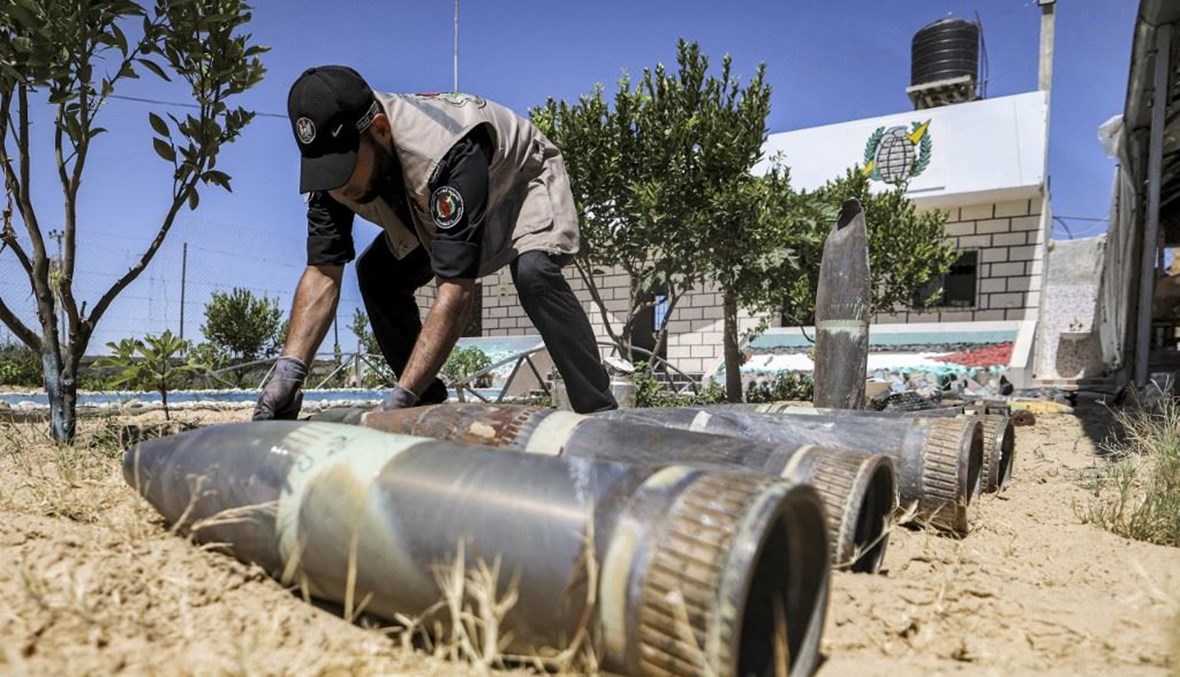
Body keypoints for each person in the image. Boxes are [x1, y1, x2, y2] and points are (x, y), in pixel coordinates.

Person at [252, 65, 617, 420]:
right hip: (428, 202)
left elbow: (456, 293)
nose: (337, 187)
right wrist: (289, 371)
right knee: (378, 275)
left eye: (345, 168)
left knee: (534, 273)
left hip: (519, 179)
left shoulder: (446, 149)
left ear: (380, 129)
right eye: (327, 172)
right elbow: (322, 273)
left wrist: (400, 398)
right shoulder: (332, 177)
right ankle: (426, 402)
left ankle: (598, 407)